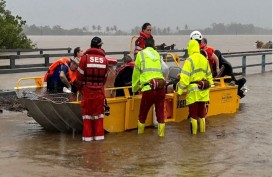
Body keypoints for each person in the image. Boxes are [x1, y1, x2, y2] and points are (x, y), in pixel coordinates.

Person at [74, 36, 109, 142]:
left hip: (87, 93)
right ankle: (98, 149)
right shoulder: (105, 60)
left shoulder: (84, 59)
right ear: (100, 46)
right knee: (99, 120)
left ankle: (88, 149)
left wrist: (82, 89)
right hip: (99, 94)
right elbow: (105, 79)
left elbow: (78, 78)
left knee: (87, 120)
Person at [177, 39, 213, 135]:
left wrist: (179, 91)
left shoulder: (189, 60)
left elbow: (184, 78)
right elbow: (209, 76)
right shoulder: (204, 59)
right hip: (204, 90)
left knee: (193, 115)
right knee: (202, 114)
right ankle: (202, 134)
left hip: (193, 92)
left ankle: (194, 136)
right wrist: (209, 85)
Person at [132, 38, 166, 137]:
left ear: (144, 45)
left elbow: (136, 73)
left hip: (148, 89)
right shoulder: (157, 55)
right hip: (160, 88)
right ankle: (161, 137)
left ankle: (140, 137)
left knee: (142, 115)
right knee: (160, 115)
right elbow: (163, 69)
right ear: (154, 45)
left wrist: (134, 88)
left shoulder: (141, 54)